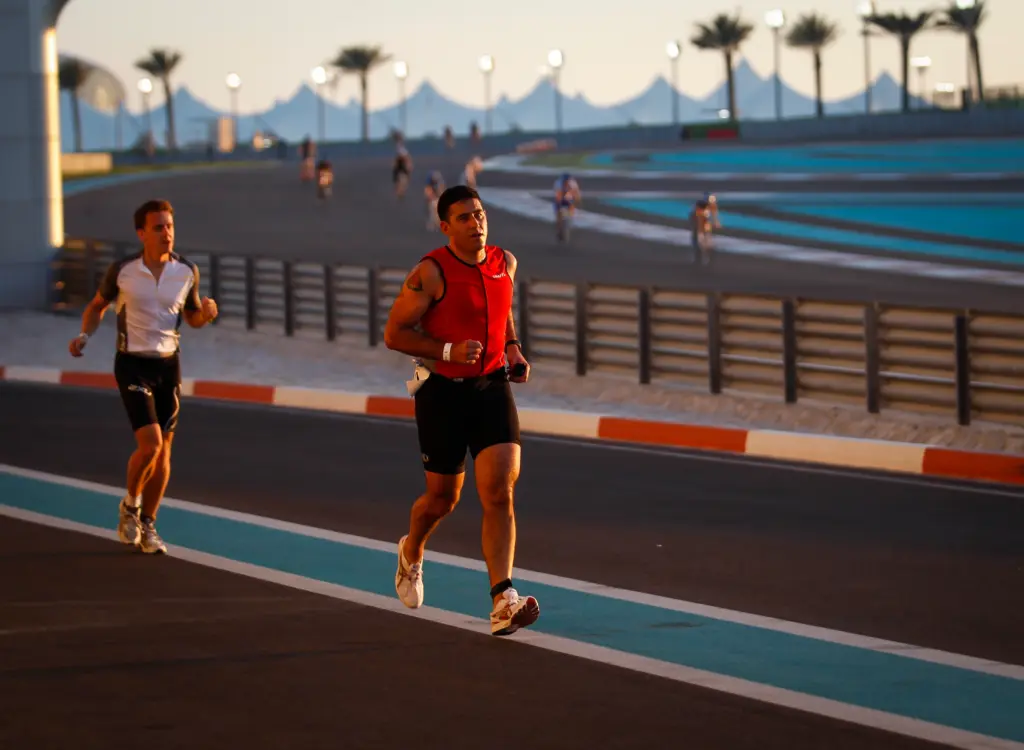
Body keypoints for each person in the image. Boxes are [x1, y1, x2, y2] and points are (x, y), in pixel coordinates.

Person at [382, 185, 540, 637]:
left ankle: (502, 599)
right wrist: (448, 349)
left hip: (490, 387)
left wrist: (512, 348)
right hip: (441, 392)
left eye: (480, 213)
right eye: (465, 218)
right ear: (445, 226)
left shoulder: (504, 263)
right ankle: (411, 551)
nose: (476, 223)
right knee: (442, 499)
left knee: (499, 488)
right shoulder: (430, 273)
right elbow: (395, 333)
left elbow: (504, 310)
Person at [68, 199, 219, 554]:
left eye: (169, 226)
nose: (166, 233)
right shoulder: (123, 271)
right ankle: (130, 505)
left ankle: (148, 524)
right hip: (132, 364)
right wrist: (84, 336)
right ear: (141, 233)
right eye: (158, 227)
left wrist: (207, 314)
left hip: (168, 366)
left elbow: (193, 317)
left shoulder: (187, 271)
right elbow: (96, 307)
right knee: (149, 444)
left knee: (164, 455)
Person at [553, 172, 582, 241]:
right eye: (565, 182)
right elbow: (558, 197)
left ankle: (568, 222)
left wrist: (577, 203)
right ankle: (559, 228)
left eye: (567, 181)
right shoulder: (558, 183)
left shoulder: (573, 184)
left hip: (569, 197)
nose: (566, 182)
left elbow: (577, 195)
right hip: (560, 197)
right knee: (558, 213)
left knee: (570, 206)